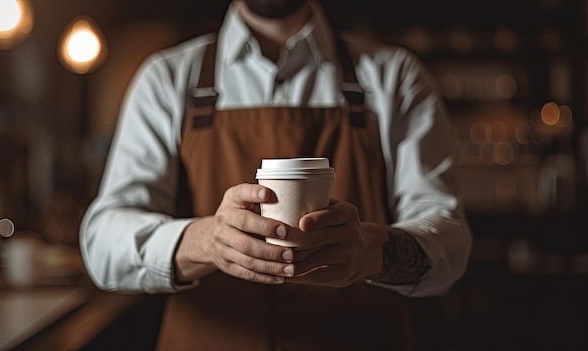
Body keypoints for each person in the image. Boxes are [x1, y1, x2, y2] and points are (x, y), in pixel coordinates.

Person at [79, 0, 473, 349]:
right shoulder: (167, 80)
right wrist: (205, 242)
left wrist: (371, 251)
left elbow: (451, 245)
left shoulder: (395, 77)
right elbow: (102, 242)